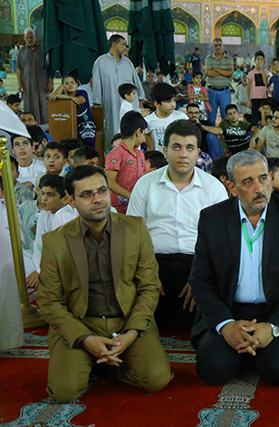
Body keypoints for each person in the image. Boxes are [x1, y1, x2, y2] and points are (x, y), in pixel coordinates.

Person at [38, 165, 173, 403]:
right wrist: (84, 339)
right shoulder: (55, 241)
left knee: (157, 379)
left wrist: (132, 333)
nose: (98, 199)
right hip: (81, 322)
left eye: (102, 191)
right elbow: (49, 301)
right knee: (64, 391)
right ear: (71, 200)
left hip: (127, 320)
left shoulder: (135, 229)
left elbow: (150, 286)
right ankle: (97, 358)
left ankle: (101, 364)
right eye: (86, 194)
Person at [189, 150, 279, 386]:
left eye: (263, 178)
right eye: (248, 182)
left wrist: (274, 326)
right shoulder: (212, 219)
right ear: (232, 188)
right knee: (213, 370)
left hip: (275, 311)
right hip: (229, 310)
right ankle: (242, 348)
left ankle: (256, 350)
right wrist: (226, 326)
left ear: (270, 178)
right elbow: (201, 280)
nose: (259, 189)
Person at [127, 120, 227, 327]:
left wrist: (202, 277)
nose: (183, 154)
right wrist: (147, 275)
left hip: (197, 263)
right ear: (165, 151)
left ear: (197, 153)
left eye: (189, 148)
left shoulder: (213, 188)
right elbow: (132, 234)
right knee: (150, 321)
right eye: (176, 147)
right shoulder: (145, 185)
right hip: (153, 263)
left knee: (196, 322)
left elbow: (222, 241)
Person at [92, 35, 146, 148]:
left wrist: (141, 99)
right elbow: (97, 85)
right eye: (123, 44)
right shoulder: (100, 62)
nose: (125, 47)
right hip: (111, 105)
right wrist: (98, 104)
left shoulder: (127, 62)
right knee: (113, 132)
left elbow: (136, 82)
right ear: (114, 44)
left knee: (133, 131)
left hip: (131, 105)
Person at [106, 111, 147, 214]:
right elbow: (109, 182)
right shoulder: (116, 153)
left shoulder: (140, 154)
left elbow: (144, 177)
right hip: (118, 209)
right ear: (138, 132)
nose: (144, 139)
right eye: (144, 134)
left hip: (136, 206)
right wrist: (131, 196)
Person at [17, 28, 52, 125]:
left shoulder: (44, 49)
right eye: (27, 38)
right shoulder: (22, 51)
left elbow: (51, 68)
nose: (29, 40)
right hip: (28, 85)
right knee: (29, 106)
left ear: (35, 37)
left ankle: (44, 127)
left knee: (43, 106)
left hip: (42, 85)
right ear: (24, 39)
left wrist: (50, 82)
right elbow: (19, 69)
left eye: (31, 37)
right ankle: (30, 127)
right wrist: (20, 84)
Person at [145, 83, 189, 150]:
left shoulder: (182, 117)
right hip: (160, 155)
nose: (173, 105)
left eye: (174, 100)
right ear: (157, 104)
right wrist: (153, 151)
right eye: (168, 101)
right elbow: (147, 135)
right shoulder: (149, 120)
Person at [204, 39, 234, 123]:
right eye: (216, 45)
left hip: (225, 92)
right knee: (210, 117)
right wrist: (224, 72)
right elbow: (209, 73)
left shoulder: (228, 59)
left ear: (223, 46)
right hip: (211, 91)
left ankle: (224, 132)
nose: (218, 47)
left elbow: (230, 73)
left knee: (226, 117)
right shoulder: (209, 58)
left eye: (220, 45)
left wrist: (216, 69)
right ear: (213, 47)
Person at [247, 51, 271, 124]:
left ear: (264, 61)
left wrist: (262, 70)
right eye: (258, 59)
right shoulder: (251, 73)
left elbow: (265, 82)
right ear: (255, 61)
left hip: (264, 98)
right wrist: (249, 100)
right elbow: (248, 87)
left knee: (264, 118)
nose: (260, 61)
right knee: (255, 118)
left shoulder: (266, 72)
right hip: (254, 98)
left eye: (261, 59)